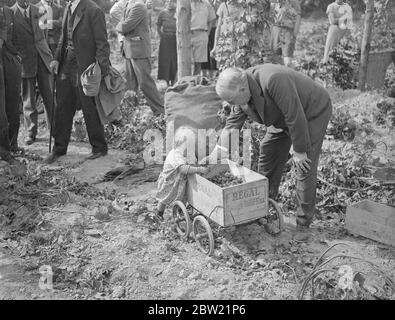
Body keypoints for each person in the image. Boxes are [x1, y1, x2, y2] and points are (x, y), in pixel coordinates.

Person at [204, 64, 333, 231]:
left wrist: (300, 150)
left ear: (243, 90)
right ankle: (263, 204)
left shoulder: (274, 80)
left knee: (304, 165)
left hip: (311, 111)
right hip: (282, 117)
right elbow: (232, 125)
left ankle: (303, 223)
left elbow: (295, 114)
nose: (229, 104)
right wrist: (217, 153)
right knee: (269, 149)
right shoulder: (242, 91)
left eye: (230, 100)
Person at [45, 0, 111, 164]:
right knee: (62, 106)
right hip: (66, 65)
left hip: (85, 68)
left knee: (89, 107)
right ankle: (59, 148)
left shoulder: (93, 10)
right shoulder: (68, 7)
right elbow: (64, 38)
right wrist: (56, 59)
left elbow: (102, 44)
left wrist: (99, 71)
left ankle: (99, 147)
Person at [11, 0, 54, 146]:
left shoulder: (42, 10)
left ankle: (54, 129)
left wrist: (45, 51)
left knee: (48, 94)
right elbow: (10, 39)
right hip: (25, 60)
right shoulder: (11, 13)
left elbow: (47, 32)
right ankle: (31, 132)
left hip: (43, 57)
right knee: (28, 98)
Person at [116, 0, 164, 115]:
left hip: (139, 50)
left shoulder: (139, 6)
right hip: (129, 50)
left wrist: (119, 26)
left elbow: (124, 27)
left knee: (145, 83)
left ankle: (160, 112)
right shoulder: (129, 4)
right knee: (130, 83)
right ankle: (130, 113)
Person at [156, 126, 209, 220]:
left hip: (180, 181)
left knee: (182, 197)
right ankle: (159, 214)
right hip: (170, 181)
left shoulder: (187, 153)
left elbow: (192, 162)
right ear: (181, 143)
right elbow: (183, 169)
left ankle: (180, 212)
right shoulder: (175, 154)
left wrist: (198, 164)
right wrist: (199, 169)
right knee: (164, 198)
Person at [0, 0, 22, 159]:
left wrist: (17, 54)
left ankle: (13, 144)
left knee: (13, 102)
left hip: (10, 60)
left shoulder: (8, 11)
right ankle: (3, 149)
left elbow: (14, 36)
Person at [270, 0, 302, 68]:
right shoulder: (274, 2)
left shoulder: (293, 2)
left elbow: (298, 17)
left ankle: (290, 76)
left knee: (288, 61)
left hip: (288, 31)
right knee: (275, 59)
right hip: (276, 30)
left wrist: (294, 34)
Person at [210, 0, 238, 70]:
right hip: (223, 41)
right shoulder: (223, 6)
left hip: (235, 41)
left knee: (234, 67)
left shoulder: (240, 7)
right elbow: (218, 27)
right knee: (222, 67)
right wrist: (215, 46)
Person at [190, 0, 216, 76]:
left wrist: (207, 33)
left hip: (202, 34)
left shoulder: (207, 4)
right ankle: (183, 82)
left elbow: (211, 19)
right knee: (186, 61)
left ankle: (193, 82)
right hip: (188, 34)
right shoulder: (186, 3)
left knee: (198, 63)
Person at [156, 0, 177, 86]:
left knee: (174, 60)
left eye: (172, 1)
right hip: (165, 40)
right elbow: (158, 26)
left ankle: (174, 81)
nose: (169, 3)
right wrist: (162, 36)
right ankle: (166, 81)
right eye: (168, 1)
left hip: (175, 39)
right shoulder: (162, 13)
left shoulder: (178, 12)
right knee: (165, 60)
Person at [201, 0, 218, 78]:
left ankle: (212, 75)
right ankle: (204, 74)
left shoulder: (218, 3)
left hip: (214, 30)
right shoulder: (203, 3)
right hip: (204, 30)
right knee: (204, 53)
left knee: (213, 52)